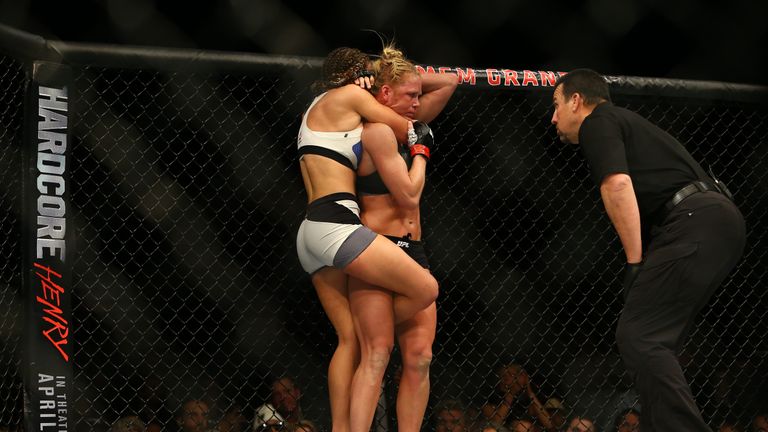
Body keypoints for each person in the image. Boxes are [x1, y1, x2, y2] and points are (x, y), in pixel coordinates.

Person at [550, 68, 746, 431]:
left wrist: (634, 261)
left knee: (639, 334)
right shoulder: (628, 122)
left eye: (557, 105)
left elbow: (617, 184)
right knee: (655, 342)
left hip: (694, 220)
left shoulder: (599, 121)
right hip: (717, 220)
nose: (554, 118)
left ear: (576, 101)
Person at [295, 46, 439, 432]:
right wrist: (420, 147)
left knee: (351, 341)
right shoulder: (354, 99)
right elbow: (401, 127)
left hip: (312, 227)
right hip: (338, 225)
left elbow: (438, 88)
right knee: (424, 289)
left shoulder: (318, 110)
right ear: (360, 77)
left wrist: (387, 76)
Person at [347, 42, 457, 432]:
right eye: (409, 95)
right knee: (377, 353)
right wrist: (422, 151)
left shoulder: (406, 124)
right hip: (378, 249)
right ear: (386, 95)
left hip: (414, 250)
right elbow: (408, 194)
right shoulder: (375, 130)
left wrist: (393, 71)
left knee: (420, 357)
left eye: (417, 95)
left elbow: (449, 81)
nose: (417, 101)